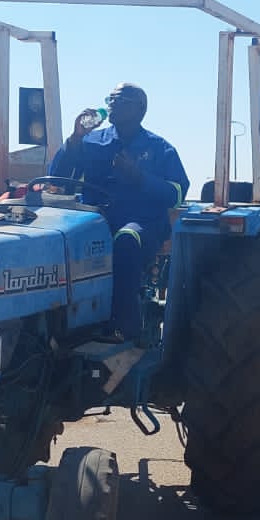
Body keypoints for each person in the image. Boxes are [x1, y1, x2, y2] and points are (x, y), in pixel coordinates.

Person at [47, 83, 190, 344]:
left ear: (140, 109)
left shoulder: (160, 148)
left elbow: (178, 193)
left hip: (143, 223)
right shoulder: (91, 141)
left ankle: (124, 328)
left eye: (120, 100)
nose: (112, 105)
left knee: (126, 239)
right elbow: (57, 179)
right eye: (110, 99)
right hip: (94, 220)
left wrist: (139, 177)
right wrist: (75, 139)